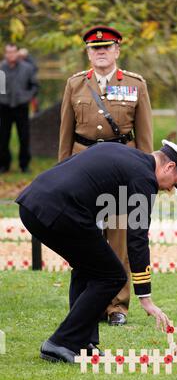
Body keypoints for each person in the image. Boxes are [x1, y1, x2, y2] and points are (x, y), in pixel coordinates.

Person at [15, 139, 177, 363]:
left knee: (90, 268)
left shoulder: (121, 152)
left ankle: (82, 342)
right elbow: (137, 238)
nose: (170, 188)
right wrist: (145, 297)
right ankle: (62, 342)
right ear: (169, 167)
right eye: (175, 182)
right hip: (58, 209)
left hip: (35, 202)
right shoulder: (145, 178)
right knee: (112, 276)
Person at [58, 25, 153, 327]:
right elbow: (65, 133)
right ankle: (88, 303)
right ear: (87, 52)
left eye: (106, 47)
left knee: (119, 237)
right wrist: (61, 173)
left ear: (117, 51)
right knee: (84, 238)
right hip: (82, 171)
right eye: (94, 48)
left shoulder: (135, 85)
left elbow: (145, 136)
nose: (100, 52)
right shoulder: (75, 85)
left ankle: (116, 307)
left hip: (121, 173)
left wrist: (147, 174)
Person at [0, 43, 39, 173]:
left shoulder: (27, 68)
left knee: (24, 137)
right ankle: (4, 165)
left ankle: (24, 165)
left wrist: (26, 97)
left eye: (13, 52)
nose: (11, 55)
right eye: (8, 52)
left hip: (21, 107)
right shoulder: (1, 68)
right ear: (5, 54)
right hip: (4, 107)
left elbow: (34, 86)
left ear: (18, 53)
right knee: (3, 137)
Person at [18, 48, 39, 114]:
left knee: (33, 98)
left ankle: (36, 112)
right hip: (22, 83)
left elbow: (35, 69)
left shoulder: (30, 61)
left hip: (30, 83)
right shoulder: (18, 61)